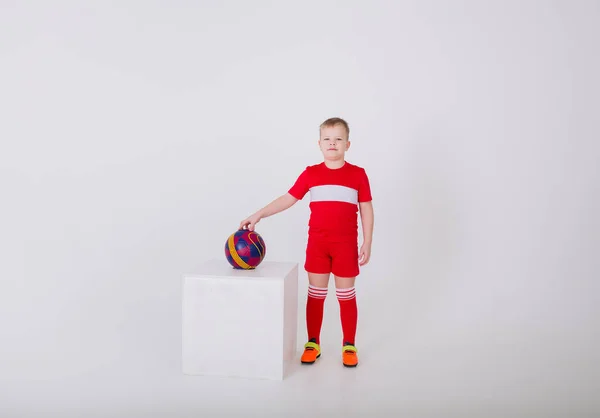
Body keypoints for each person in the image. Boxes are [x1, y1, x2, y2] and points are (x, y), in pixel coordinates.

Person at [239, 117, 374, 368]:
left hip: (345, 245)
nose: (332, 143)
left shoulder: (358, 174)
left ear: (348, 144)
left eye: (338, 139)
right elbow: (288, 198)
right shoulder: (311, 173)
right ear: (319, 144)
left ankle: (349, 344)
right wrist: (258, 214)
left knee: (346, 295)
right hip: (318, 245)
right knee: (316, 294)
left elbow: (366, 209)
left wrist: (367, 241)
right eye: (327, 139)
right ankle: (313, 343)